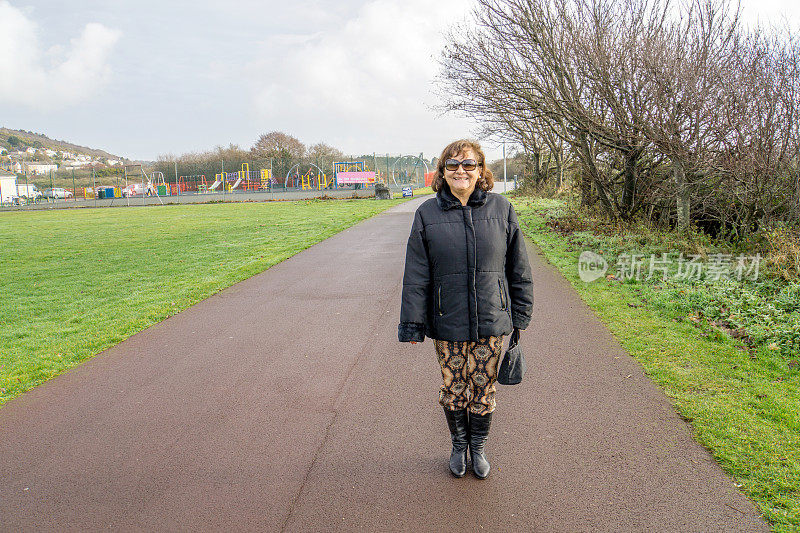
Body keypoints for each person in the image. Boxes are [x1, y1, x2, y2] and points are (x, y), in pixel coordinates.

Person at [398, 139, 534, 479]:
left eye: (468, 164)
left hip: (491, 317)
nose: (461, 170)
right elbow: (416, 273)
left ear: (480, 170)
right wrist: (413, 324)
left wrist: (520, 313)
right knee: (454, 387)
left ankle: (479, 447)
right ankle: (459, 446)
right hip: (448, 320)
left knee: (484, 387)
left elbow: (518, 267)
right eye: (452, 164)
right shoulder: (427, 213)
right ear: (443, 172)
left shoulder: (502, 209)